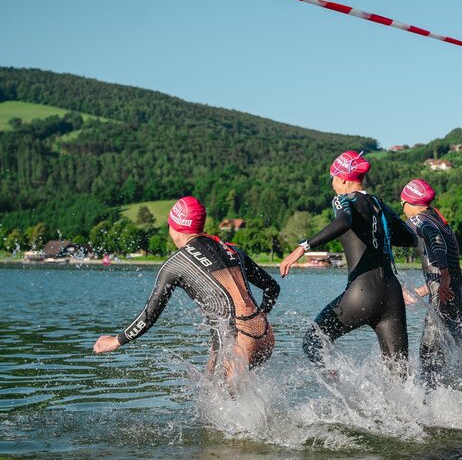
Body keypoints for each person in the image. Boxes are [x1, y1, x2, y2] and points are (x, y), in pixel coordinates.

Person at [93, 197, 279, 380]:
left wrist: (117, 341)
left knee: (220, 399)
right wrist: (260, 320)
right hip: (264, 333)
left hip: (239, 338)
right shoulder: (231, 250)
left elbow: (149, 315)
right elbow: (272, 287)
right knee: (215, 389)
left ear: (174, 227)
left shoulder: (177, 263)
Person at [278, 151, 418, 377]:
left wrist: (303, 247)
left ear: (343, 178)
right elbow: (410, 239)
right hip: (392, 295)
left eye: (332, 178)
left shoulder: (344, 200)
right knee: (400, 377)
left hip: (361, 294)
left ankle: (346, 396)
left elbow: (343, 222)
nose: (332, 184)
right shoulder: (380, 204)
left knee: (314, 341)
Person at [399, 178, 462, 386]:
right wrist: (423, 290)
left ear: (409, 203)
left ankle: (430, 412)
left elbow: (435, 241)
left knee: (429, 361)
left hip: (444, 300)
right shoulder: (441, 222)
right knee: (450, 362)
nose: (403, 209)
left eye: (402, 204)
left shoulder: (418, 220)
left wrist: (443, 278)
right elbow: (449, 264)